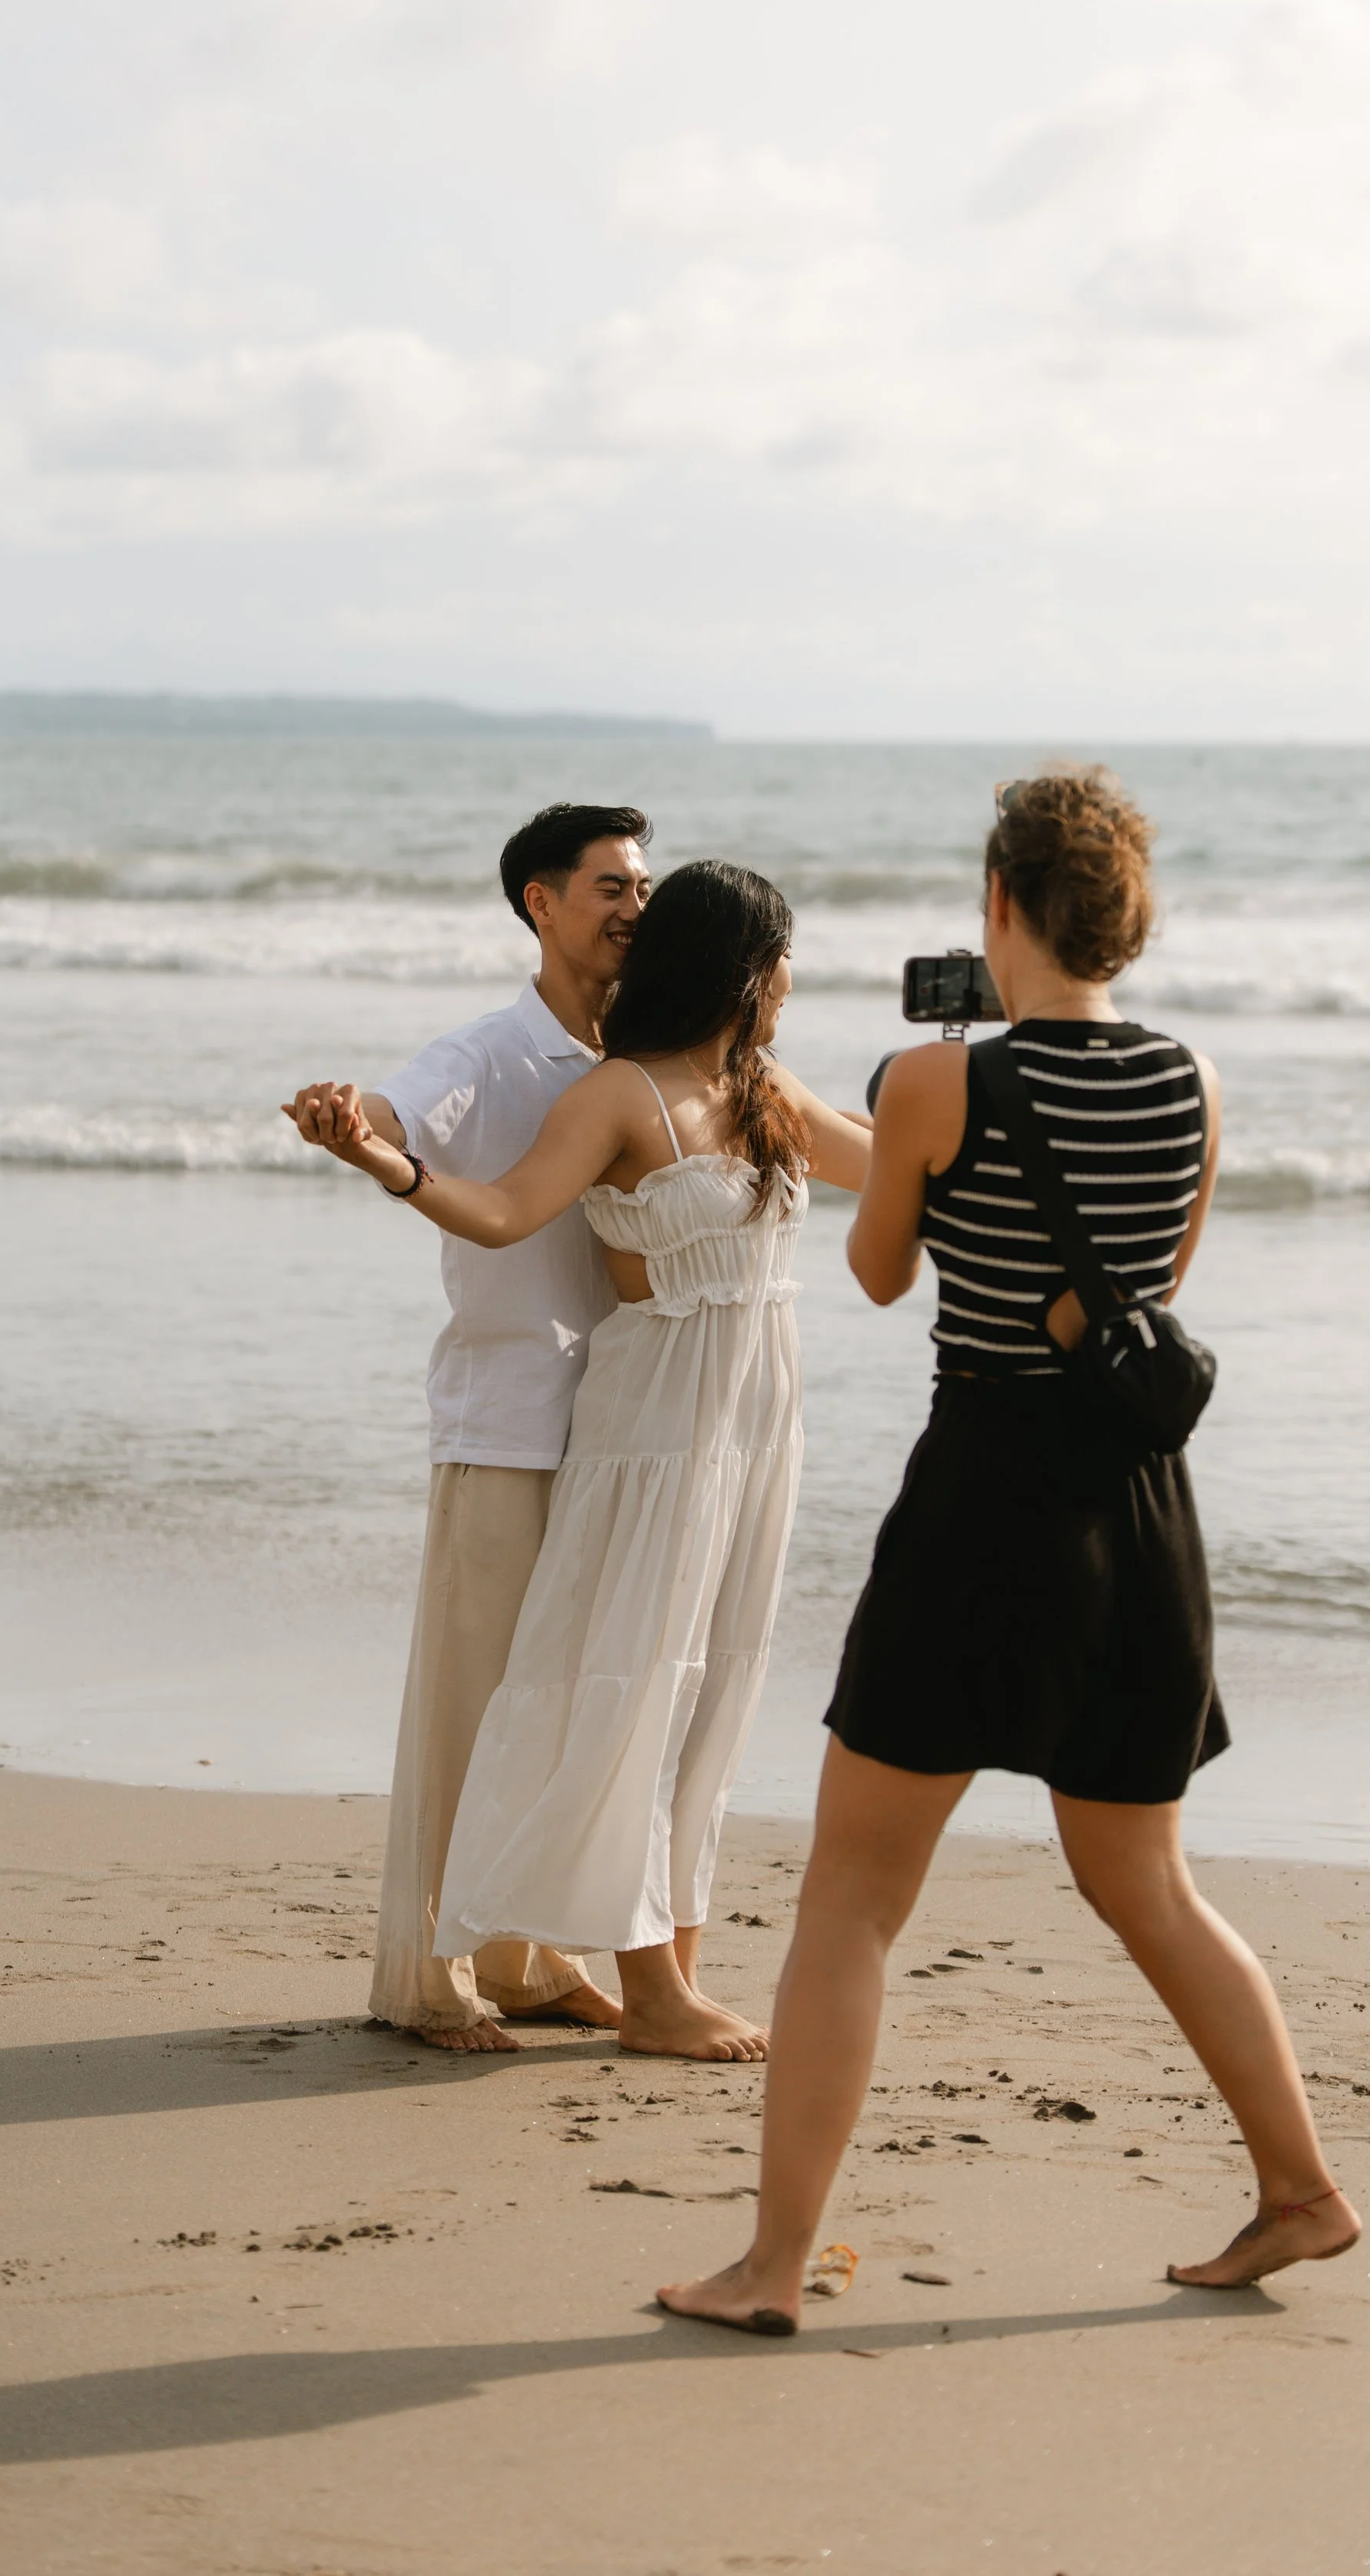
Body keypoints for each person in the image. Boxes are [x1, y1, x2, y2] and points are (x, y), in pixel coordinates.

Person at [659, 769, 1359, 2329]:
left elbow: (880, 1271)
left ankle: (772, 2264)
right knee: (1148, 1886)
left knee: (850, 1896)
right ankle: (1298, 2188)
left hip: (981, 1503)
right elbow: (1146, 1284)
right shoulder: (1191, 1079)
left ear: (996, 908)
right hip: (1134, 1511)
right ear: (1121, 918)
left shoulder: (931, 1078)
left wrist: (908, 1121)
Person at [293, 860, 871, 2061]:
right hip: (654, 1425)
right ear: (746, 970)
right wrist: (384, 1163)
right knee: (637, 1691)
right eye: (783, 962)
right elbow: (506, 1211)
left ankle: (680, 1976)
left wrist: (977, 1074)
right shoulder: (618, 1097)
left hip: (759, 1419)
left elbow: (884, 1161)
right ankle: (644, 1985)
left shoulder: (764, 1088)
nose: (792, 983)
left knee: (715, 1691)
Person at [284, 801, 651, 2055]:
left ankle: (529, 1952)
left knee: (562, 1706)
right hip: (504, 1422)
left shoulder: (643, 1059)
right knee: (471, 1705)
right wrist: (356, 1126)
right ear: (541, 903)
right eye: (609, 885)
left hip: (623, 1431)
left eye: (642, 885)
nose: (632, 907)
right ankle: (433, 1972)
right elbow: (397, 1116)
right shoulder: (488, 1051)